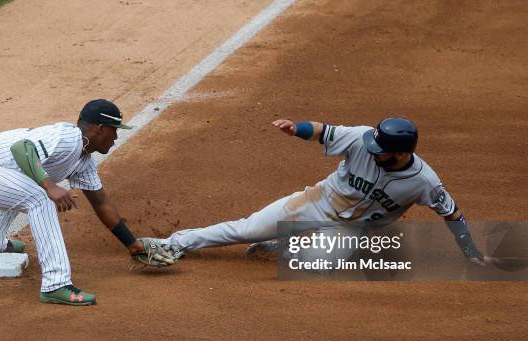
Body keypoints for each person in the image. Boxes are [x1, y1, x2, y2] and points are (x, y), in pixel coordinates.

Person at [149, 117, 492, 268]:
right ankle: (176, 242)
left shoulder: (425, 182)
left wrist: (469, 250)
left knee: (314, 264)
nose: (372, 149)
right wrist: (294, 128)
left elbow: (452, 213)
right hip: (316, 202)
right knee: (247, 228)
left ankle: (285, 245)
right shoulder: (361, 138)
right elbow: (323, 131)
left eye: (382, 149)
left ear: (402, 153)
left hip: (351, 231)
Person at [0, 99, 179, 306]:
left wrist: (132, 243)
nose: (116, 138)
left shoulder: (84, 161)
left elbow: (100, 202)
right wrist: (50, 186)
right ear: (100, 129)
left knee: (28, 182)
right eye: (114, 131)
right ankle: (55, 284)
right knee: (40, 198)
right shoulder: (68, 138)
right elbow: (22, 148)